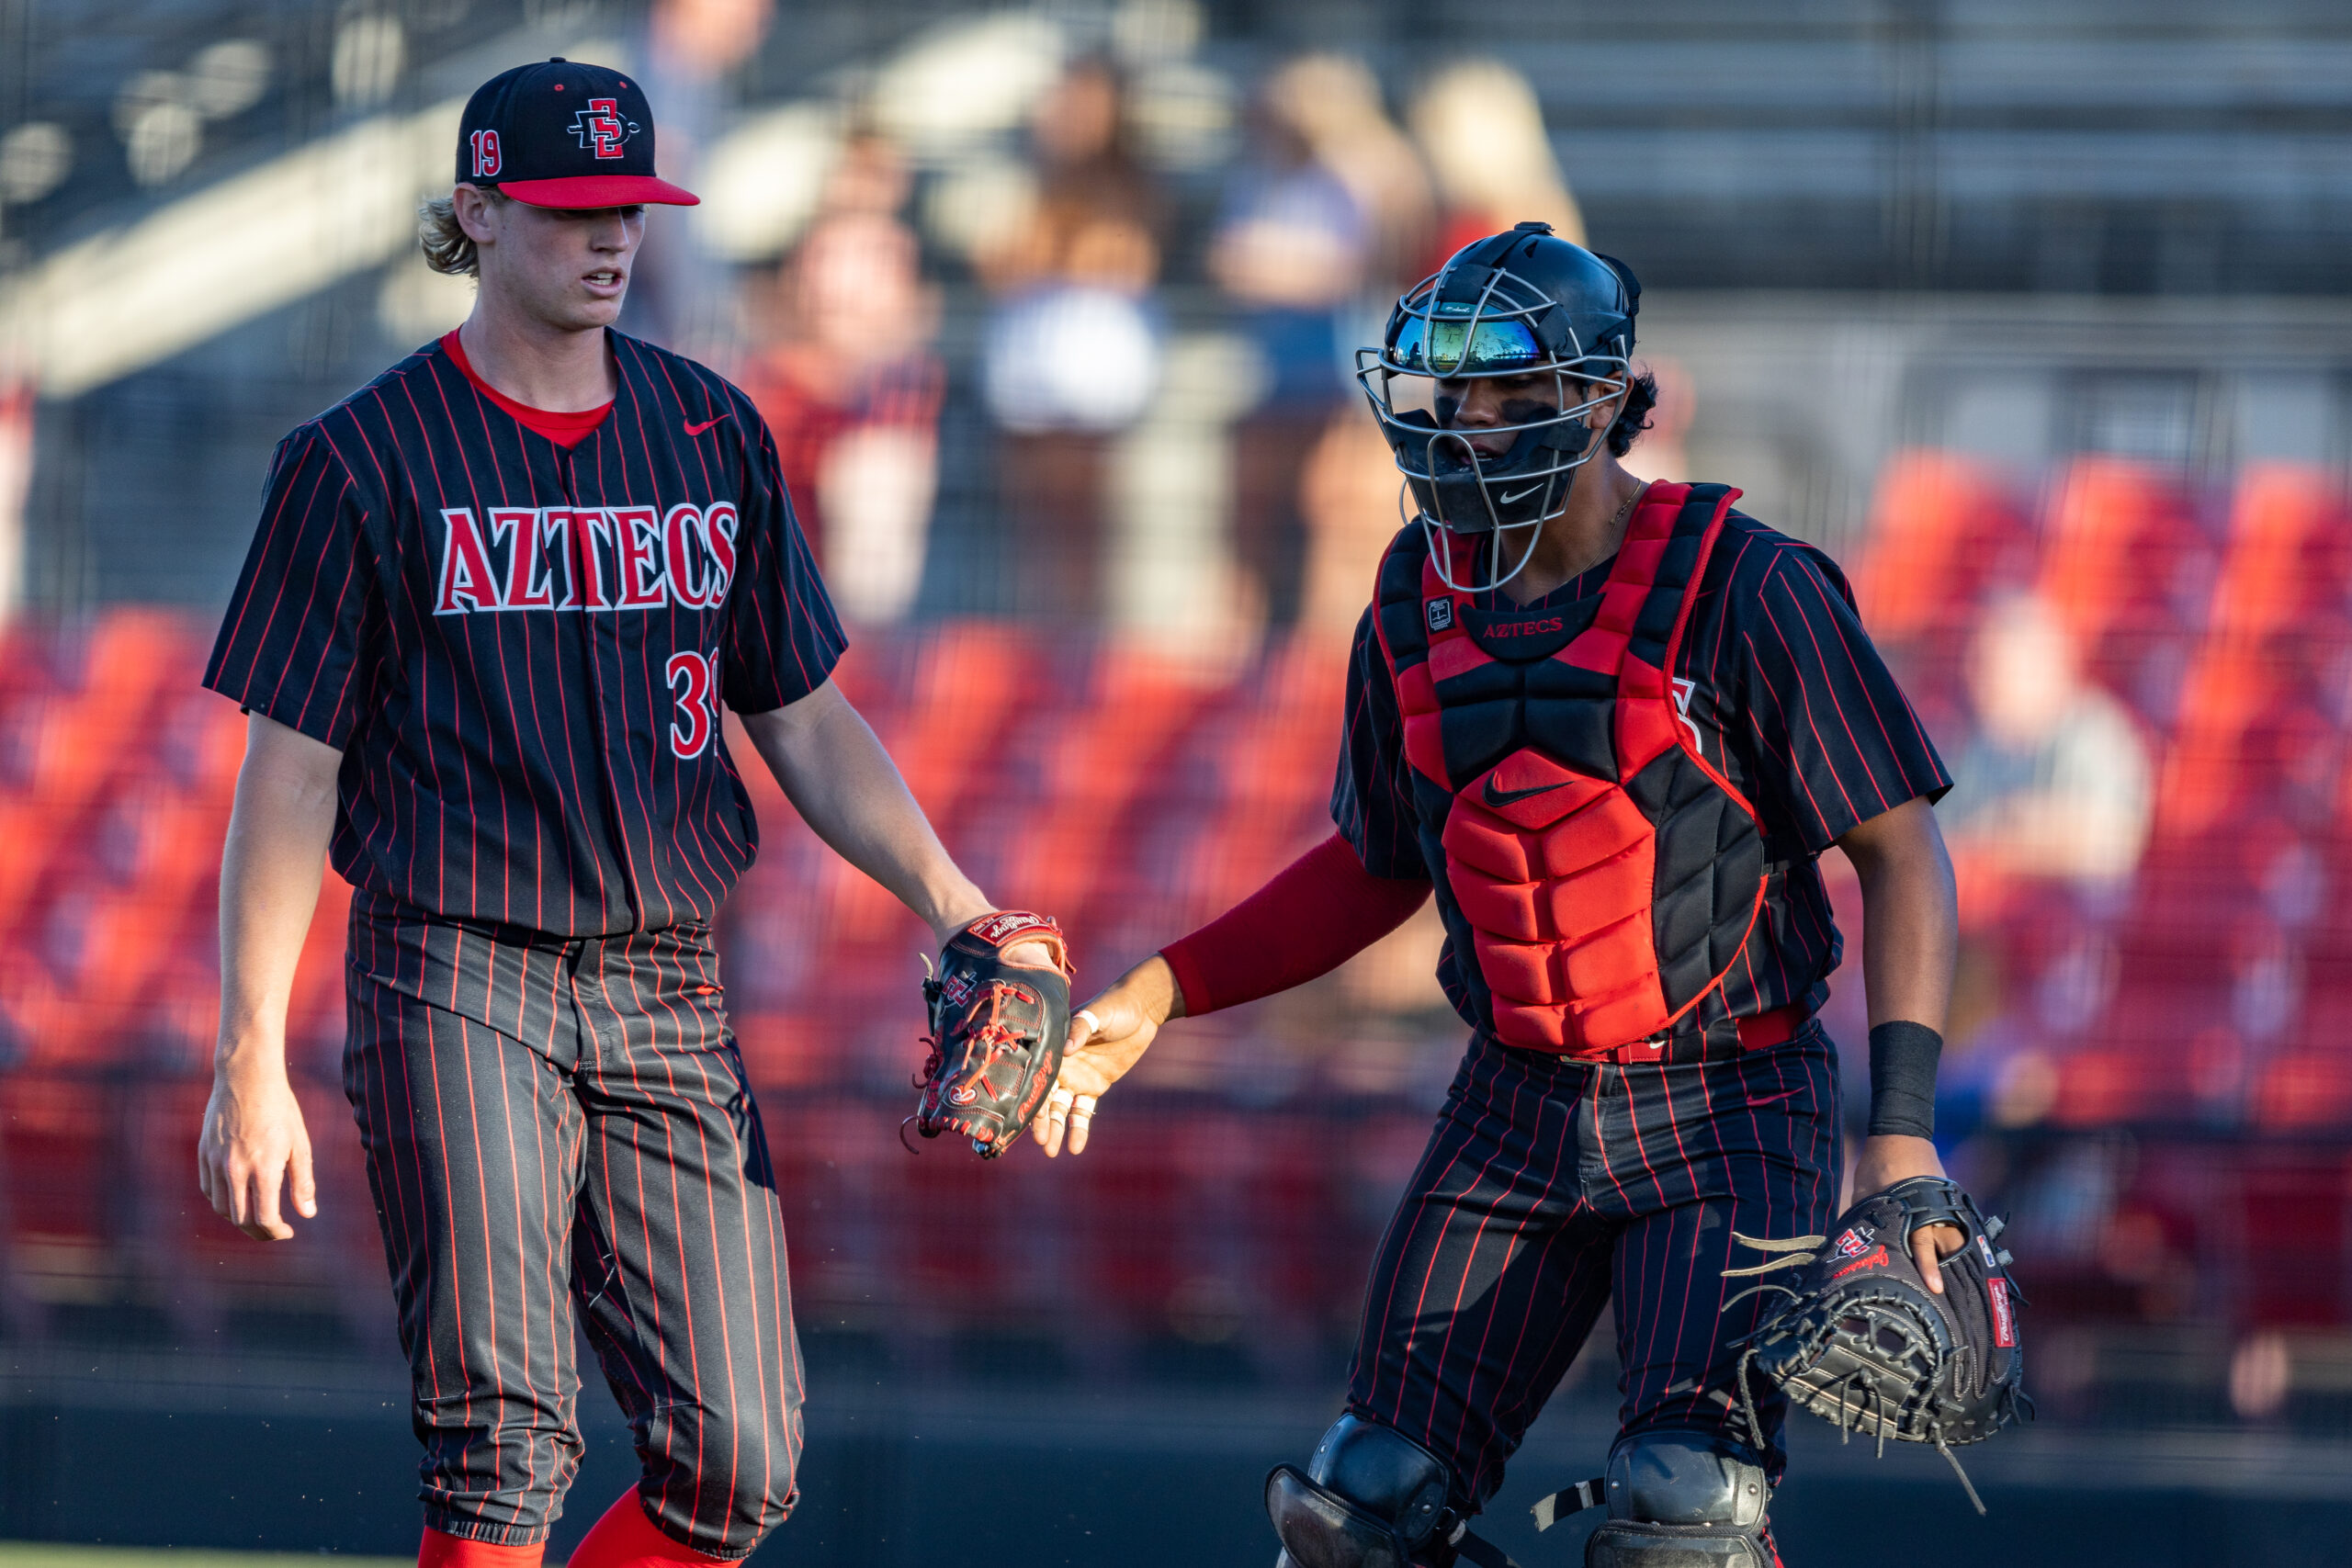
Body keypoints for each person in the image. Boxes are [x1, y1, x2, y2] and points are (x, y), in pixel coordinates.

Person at [194, 60, 1055, 1568]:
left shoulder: (710, 432)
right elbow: (293, 770)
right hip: (456, 971)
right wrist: (248, 1054)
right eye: (574, 207)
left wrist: (957, 902)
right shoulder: (358, 459)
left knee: (740, 1458)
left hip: (665, 980)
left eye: (633, 210)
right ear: (478, 208)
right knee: (506, 1442)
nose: (610, 239)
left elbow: (798, 711)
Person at [1040, 226, 1964, 1566]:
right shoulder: (1413, 598)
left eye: (1509, 397)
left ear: (1603, 402)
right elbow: (1379, 860)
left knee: (1683, 1515)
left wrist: (1903, 1133)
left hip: (1729, 1098)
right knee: (1359, 1511)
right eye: (1448, 398)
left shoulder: (1745, 585)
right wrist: (1165, 989)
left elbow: (1902, 851)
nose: (1469, 429)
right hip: (1516, 1106)